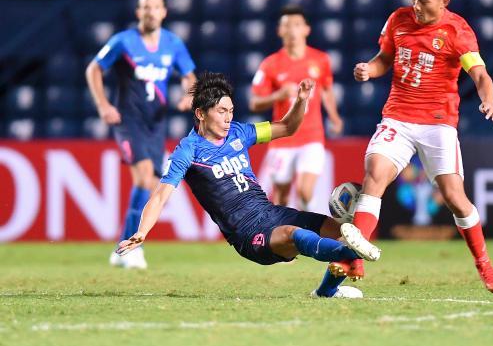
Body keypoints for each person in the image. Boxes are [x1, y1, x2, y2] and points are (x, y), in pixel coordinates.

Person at [116, 72, 381, 298]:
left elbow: (287, 127)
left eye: (231, 111)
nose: (228, 117)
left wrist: (301, 101)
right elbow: (160, 196)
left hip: (271, 212)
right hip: (247, 233)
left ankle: (327, 290)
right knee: (295, 234)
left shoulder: (240, 132)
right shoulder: (188, 151)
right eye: (221, 111)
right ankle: (350, 253)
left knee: (334, 228)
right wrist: (142, 232)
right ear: (200, 114)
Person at [331, 0, 493, 293]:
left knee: (454, 197)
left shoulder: (457, 31)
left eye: (424, 0)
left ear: (444, 1)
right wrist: (369, 70)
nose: (416, 5)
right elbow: (384, 59)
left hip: (438, 124)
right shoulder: (398, 19)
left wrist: (488, 99)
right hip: (398, 116)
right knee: (375, 174)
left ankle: (483, 263)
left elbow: (480, 74)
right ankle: (354, 260)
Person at [86, 0, 196, 269]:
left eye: (156, 7)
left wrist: (189, 95)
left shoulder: (173, 43)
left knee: (150, 185)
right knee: (145, 177)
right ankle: (134, 248)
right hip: (129, 120)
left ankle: (121, 248)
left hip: (156, 123)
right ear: (138, 12)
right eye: (146, 7)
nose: (150, 12)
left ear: (164, 12)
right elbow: (94, 69)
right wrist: (103, 105)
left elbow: (189, 76)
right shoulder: (123, 41)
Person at [249, 5, 343, 210]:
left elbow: (326, 90)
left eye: (297, 25)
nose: (292, 30)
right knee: (281, 198)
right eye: (287, 25)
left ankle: (308, 227)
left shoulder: (320, 60)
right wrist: (279, 95)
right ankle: (286, 229)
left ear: (306, 30)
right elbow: (254, 103)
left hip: (312, 136)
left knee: (304, 191)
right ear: (279, 31)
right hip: (282, 139)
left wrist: (334, 116)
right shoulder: (270, 64)